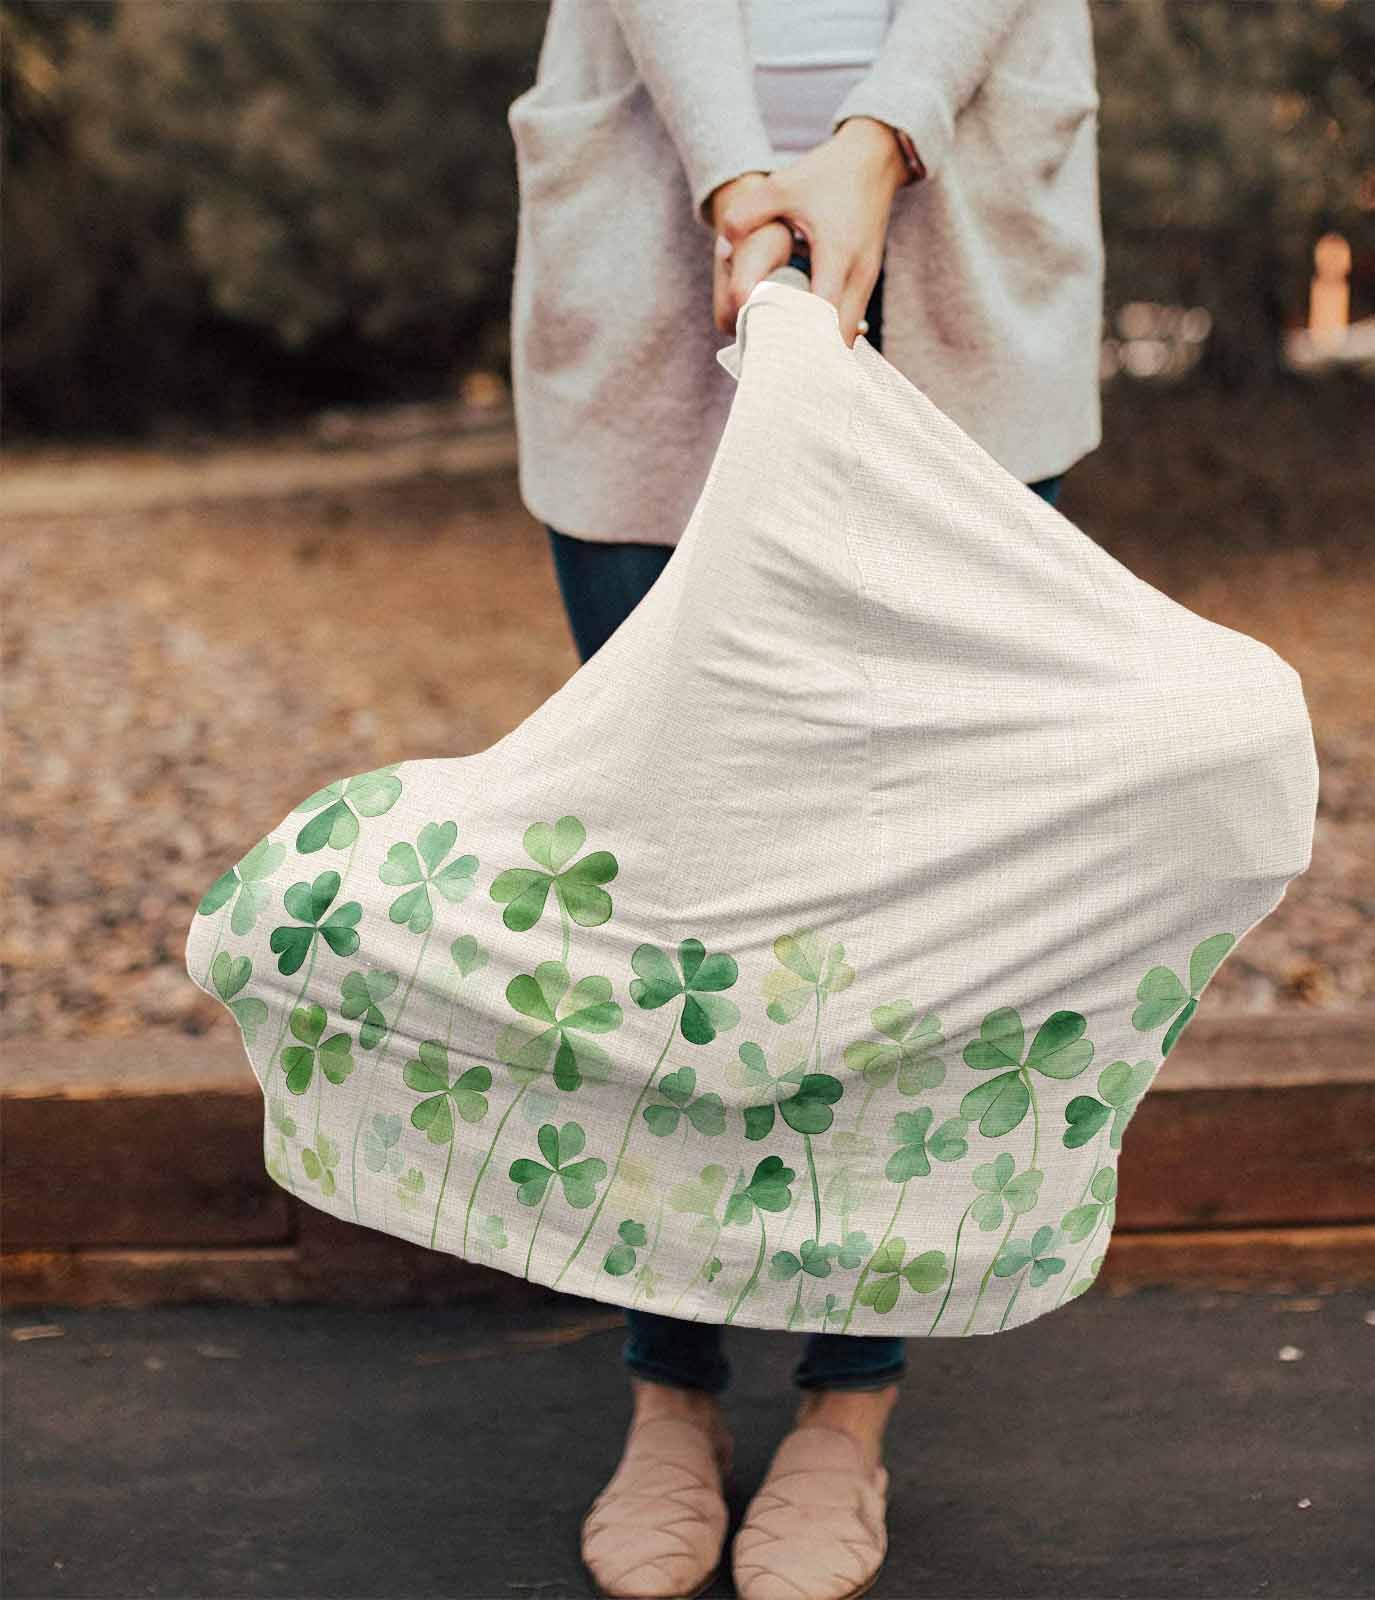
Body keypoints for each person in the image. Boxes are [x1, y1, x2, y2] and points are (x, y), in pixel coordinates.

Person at [505, 4, 1104, 1596]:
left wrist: (877, 136)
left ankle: (849, 1404)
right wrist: (733, 177)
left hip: (960, 218)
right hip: (654, 217)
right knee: (661, 877)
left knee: (917, 885)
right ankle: (670, 1387)